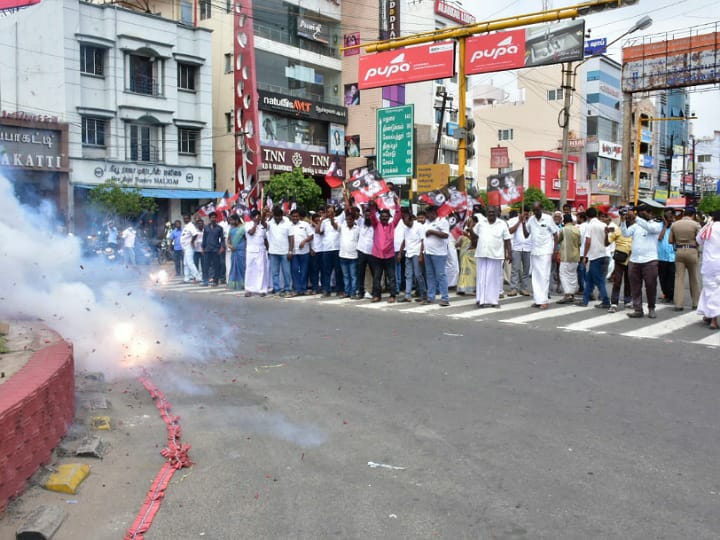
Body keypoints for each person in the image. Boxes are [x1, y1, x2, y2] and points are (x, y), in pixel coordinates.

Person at [621, 205, 663, 318]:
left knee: (650, 286)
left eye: (641, 212)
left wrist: (636, 218)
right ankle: (638, 309)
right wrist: (623, 221)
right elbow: (625, 234)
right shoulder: (636, 226)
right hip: (634, 260)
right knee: (635, 286)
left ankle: (651, 308)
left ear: (649, 213)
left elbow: (650, 228)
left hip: (650, 260)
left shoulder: (656, 224)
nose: (639, 214)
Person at [472, 206, 511, 308]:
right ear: (486, 213)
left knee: (493, 279)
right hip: (481, 254)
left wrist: (509, 254)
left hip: (495, 255)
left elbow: (507, 239)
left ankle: (493, 301)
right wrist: (470, 229)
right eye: (489, 212)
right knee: (481, 278)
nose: (491, 214)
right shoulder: (481, 223)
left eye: (493, 212)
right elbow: (474, 236)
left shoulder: (502, 224)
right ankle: (481, 299)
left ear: (497, 213)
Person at [522, 202, 558, 309]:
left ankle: (544, 301)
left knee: (544, 276)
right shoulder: (531, 220)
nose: (536, 212)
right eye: (534, 210)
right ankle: (538, 300)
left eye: (537, 210)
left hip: (546, 251)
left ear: (541, 208)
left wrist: (555, 251)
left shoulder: (548, 219)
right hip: (535, 251)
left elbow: (556, 234)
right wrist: (523, 223)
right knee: (536, 277)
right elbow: (526, 235)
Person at [576, 207, 611, 308]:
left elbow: (588, 241)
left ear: (587, 216)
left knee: (599, 280)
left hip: (595, 256)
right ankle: (585, 300)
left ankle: (606, 301)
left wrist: (585, 256)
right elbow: (607, 240)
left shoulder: (589, 226)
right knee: (590, 279)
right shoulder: (603, 225)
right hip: (604, 254)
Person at [369, 196, 402, 302]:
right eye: (382, 216)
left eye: (386, 217)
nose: (384, 218)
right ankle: (376, 295)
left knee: (391, 277)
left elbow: (398, 215)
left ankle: (392, 296)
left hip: (389, 256)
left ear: (388, 218)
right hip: (377, 256)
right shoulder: (376, 224)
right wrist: (373, 206)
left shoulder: (392, 225)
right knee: (377, 277)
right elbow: (372, 216)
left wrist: (397, 204)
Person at [669, 206, 701, 311]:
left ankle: (678, 304)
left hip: (679, 251)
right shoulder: (696, 225)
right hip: (692, 251)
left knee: (679, 279)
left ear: (684, 214)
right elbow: (699, 240)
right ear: (693, 215)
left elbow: (670, 240)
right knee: (694, 278)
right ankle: (695, 303)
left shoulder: (675, 225)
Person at [696, 209, 720, 330]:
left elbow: (698, 240)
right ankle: (711, 318)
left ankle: (710, 317)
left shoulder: (708, 227)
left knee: (709, 290)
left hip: (709, 265)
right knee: (716, 291)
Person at [422, 206, 451, 306]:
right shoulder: (426, 222)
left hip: (439, 253)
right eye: (427, 213)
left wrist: (432, 232)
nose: (428, 215)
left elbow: (445, 235)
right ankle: (430, 297)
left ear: (435, 212)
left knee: (441, 275)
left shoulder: (442, 221)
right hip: (428, 252)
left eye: (430, 212)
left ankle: (445, 298)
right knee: (430, 276)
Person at [606, 211, 633, 312]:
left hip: (631, 260)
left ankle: (627, 301)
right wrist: (606, 235)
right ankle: (614, 303)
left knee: (628, 282)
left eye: (630, 218)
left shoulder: (635, 231)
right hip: (620, 260)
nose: (628, 220)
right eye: (627, 218)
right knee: (617, 282)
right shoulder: (617, 230)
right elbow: (607, 242)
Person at [266, 206, 293, 296]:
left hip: (285, 252)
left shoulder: (288, 223)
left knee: (286, 272)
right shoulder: (270, 222)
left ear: (282, 215)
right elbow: (262, 224)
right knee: (275, 272)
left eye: (279, 216)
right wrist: (263, 214)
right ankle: (277, 289)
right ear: (273, 215)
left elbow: (291, 238)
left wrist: (290, 251)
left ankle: (287, 289)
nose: (277, 218)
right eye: (275, 216)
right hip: (273, 251)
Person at [399, 212, 426, 302]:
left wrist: (421, 254)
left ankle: (423, 294)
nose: (404, 223)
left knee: (418, 275)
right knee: (408, 275)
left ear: (411, 219)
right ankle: (407, 295)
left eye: (405, 221)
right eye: (403, 221)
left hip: (416, 253)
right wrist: (400, 252)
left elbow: (423, 241)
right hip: (408, 253)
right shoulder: (406, 228)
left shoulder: (419, 226)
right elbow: (404, 240)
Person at [556, 214, 581, 304]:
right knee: (573, 275)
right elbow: (579, 243)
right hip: (575, 256)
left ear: (564, 221)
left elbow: (558, 240)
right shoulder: (577, 229)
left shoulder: (563, 229)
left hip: (566, 256)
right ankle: (572, 294)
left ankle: (567, 294)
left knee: (563, 275)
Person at [244, 209, 270, 296]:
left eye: (259, 217)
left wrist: (268, 249)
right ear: (252, 217)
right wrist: (255, 224)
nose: (258, 218)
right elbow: (251, 232)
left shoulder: (262, 226)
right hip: (251, 251)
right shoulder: (248, 224)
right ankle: (249, 289)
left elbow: (265, 239)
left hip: (261, 251)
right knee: (250, 270)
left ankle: (262, 290)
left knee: (261, 270)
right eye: (256, 216)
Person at [289, 209, 314, 296]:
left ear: (299, 217)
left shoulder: (305, 224)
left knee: (304, 271)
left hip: (304, 252)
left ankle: (303, 289)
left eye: (297, 216)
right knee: (295, 270)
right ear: (291, 217)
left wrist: (304, 241)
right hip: (294, 252)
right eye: (293, 216)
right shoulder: (289, 225)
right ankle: (297, 289)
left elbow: (311, 236)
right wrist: (290, 251)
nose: (295, 218)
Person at [507, 209, 531, 297]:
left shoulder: (531, 221)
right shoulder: (513, 220)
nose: (525, 216)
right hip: (516, 248)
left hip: (528, 248)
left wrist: (524, 223)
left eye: (527, 214)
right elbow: (510, 231)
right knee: (515, 269)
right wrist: (519, 222)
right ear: (519, 214)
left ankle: (523, 288)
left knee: (526, 270)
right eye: (524, 214)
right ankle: (513, 288)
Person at [656, 209, 676, 305]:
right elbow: (659, 238)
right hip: (661, 257)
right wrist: (664, 226)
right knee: (662, 278)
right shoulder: (659, 226)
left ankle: (671, 296)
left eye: (671, 218)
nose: (670, 220)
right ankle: (665, 294)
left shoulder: (675, 227)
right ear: (664, 218)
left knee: (671, 278)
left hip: (672, 257)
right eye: (668, 217)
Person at [338, 212, 360, 298]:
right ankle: (347, 292)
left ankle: (353, 292)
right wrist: (332, 217)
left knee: (353, 276)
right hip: (343, 255)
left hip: (353, 256)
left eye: (350, 219)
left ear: (354, 220)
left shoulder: (358, 229)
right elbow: (334, 225)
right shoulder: (343, 227)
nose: (348, 221)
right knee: (346, 276)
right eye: (347, 219)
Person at [201, 212, 225, 287]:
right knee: (206, 266)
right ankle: (205, 281)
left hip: (216, 249)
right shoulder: (206, 228)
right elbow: (204, 238)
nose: (213, 219)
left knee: (216, 266)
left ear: (216, 218)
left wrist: (222, 247)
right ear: (210, 218)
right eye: (212, 217)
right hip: (207, 249)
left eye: (214, 217)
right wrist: (202, 248)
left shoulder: (219, 228)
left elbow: (222, 239)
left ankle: (216, 281)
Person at [356, 206, 375, 299]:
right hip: (361, 251)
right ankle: (360, 292)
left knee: (374, 273)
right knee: (360, 273)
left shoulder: (375, 224)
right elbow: (351, 211)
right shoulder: (360, 222)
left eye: (369, 215)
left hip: (372, 252)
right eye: (366, 215)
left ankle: (375, 291)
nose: (368, 217)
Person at [455, 218, 476, 296]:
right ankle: (461, 288)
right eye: (468, 223)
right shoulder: (463, 234)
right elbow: (457, 244)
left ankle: (474, 288)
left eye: (471, 222)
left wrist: (468, 235)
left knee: (473, 273)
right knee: (464, 272)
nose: (469, 224)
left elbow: (475, 242)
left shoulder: (476, 232)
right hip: (464, 255)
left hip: (473, 256)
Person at [226, 214, 246, 290]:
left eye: (231, 220)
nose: (230, 222)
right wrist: (230, 246)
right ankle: (235, 285)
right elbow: (228, 240)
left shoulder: (243, 228)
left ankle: (244, 283)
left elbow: (247, 240)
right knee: (234, 267)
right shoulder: (231, 228)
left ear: (236, 220)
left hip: (241, 251)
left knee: (242, 267)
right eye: (230, 220)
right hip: (233, 251)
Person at [180, 214, 202, 283]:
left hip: (189, 246)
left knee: (190, 263)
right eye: (184, 218)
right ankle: (187, 278)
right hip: (185, 247)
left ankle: (198, 277)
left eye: (186, 218)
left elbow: (195, 234)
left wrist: (192, 241)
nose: (185, 220)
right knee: (185, 263)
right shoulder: (186, 226)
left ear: (189, 219)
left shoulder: (190, 226)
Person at [309, 212, 324, 294]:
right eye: (316, 220)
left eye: (319, 220)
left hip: (323, 251)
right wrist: (311, 249)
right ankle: (315, 287)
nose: (318, 221)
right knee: (314, 271)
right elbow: (309, 239)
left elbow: (320, 232)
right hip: (314, 251)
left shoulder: (322, 226)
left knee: (323, 271)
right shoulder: (309, 227)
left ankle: (323, 287)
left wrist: (316, 224)